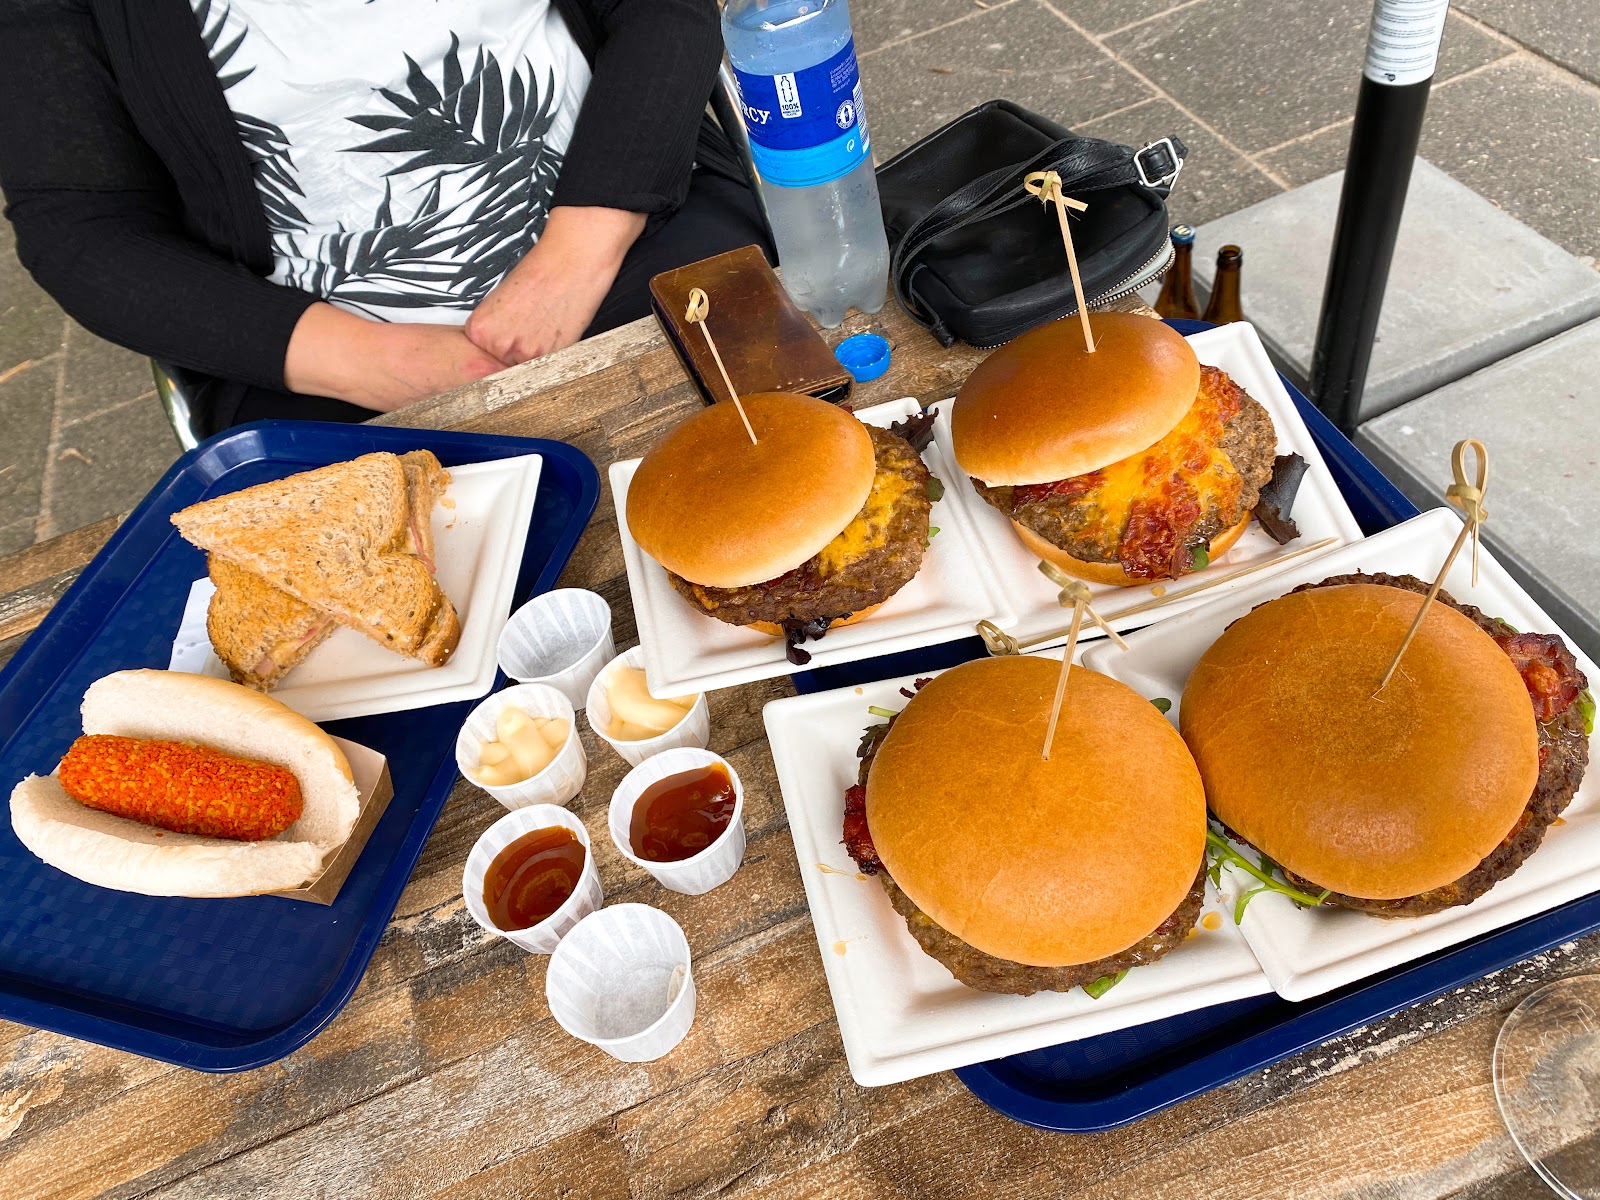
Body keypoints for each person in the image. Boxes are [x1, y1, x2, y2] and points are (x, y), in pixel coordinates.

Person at [0, 0, 773, 436]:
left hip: (624, 228)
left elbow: (661, 12)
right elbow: (82, 226)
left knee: (788, 460)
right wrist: (376, 361)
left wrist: (575, 254)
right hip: (325, 354)